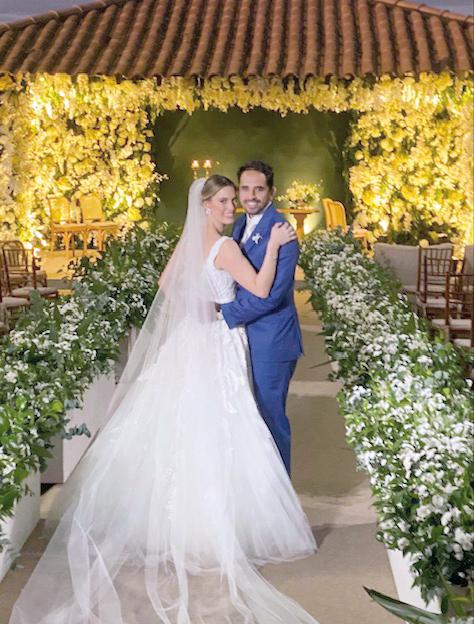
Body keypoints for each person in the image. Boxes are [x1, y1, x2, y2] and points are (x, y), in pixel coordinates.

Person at [9, 176, 319, 624]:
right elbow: (258, 287)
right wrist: (270, 250)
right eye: (226, 201)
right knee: (224, 428)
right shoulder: (226, 248)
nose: (232, 207)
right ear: (208, 206)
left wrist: (196, 310)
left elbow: (165, 282)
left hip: (191, 340)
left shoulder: (192, 242)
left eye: (234, 200)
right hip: (219, 343)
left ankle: (177, 522)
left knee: (183, 424)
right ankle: (216, 527)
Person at [221, 161, 303, 475]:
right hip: (245, 336)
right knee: (249, 418)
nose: (251, 195)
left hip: (273, 340)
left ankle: (282, 502)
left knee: (271, 418)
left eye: (258, 189)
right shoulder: (240, 225)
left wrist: (224, 313)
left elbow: (271, 295)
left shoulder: (282, 230)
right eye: (245, 188)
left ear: (272, 191)